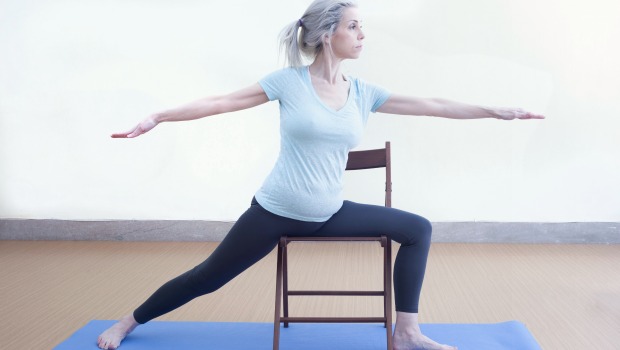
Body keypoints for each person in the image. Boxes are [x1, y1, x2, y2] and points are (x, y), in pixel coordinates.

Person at [98, 0, 544, 349]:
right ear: (328, 35)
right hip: (275, 210)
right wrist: (159, 116)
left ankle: (406, 332)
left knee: (417, 229)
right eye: (354, 26)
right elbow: (220, 102)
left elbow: (435, 105)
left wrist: (493, 111)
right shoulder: (288, 82)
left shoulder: (363, 92)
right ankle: (127, 322)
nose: (362, 34)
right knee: (206, 278)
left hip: (329, 210)